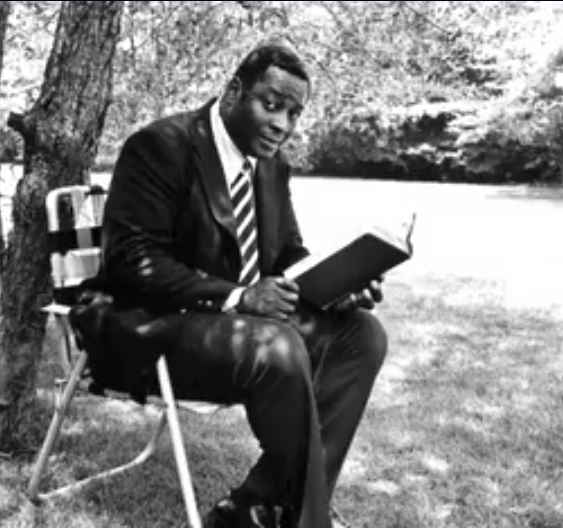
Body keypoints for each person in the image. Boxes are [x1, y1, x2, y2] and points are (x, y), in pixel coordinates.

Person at [74, 42, 389, 528]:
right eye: (271, 104)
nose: (283, 124)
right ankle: (307, 519)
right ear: (234, 91)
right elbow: (131, 262)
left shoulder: (272, 166)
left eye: (293, 112)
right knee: (276, 344)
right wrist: (239, 297)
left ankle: (254, 506)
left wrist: (338, 285)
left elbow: (288, 257)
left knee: (361, 334)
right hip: (147, 328)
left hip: (231, 332)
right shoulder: (161, 146)